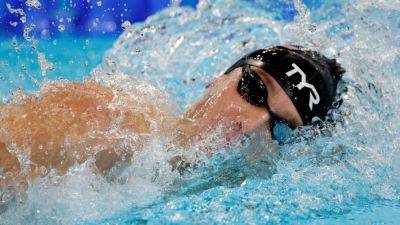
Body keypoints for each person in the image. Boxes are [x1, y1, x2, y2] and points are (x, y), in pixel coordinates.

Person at [0, 45, 345, 198]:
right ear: (220, 78)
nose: (253, 123)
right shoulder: (113, 122)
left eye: (280, 128)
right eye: (253, 89)